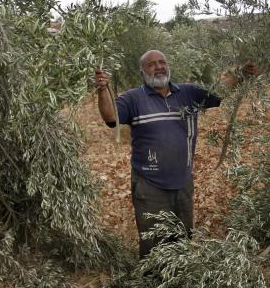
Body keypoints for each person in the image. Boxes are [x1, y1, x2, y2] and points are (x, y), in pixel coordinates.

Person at [94, 50, 256, 257]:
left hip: (183, 182)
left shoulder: (188, 93)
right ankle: (152, 276)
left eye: (162, 62)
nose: (159, 67)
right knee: (153, 244)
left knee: (182, 240)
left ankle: (179, 275)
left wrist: (241, 74)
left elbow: (217, 91)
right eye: (152, 64)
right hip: (149, 185)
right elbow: (110, 117)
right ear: (142, 72)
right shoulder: (133, 98)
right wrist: (102, 89)